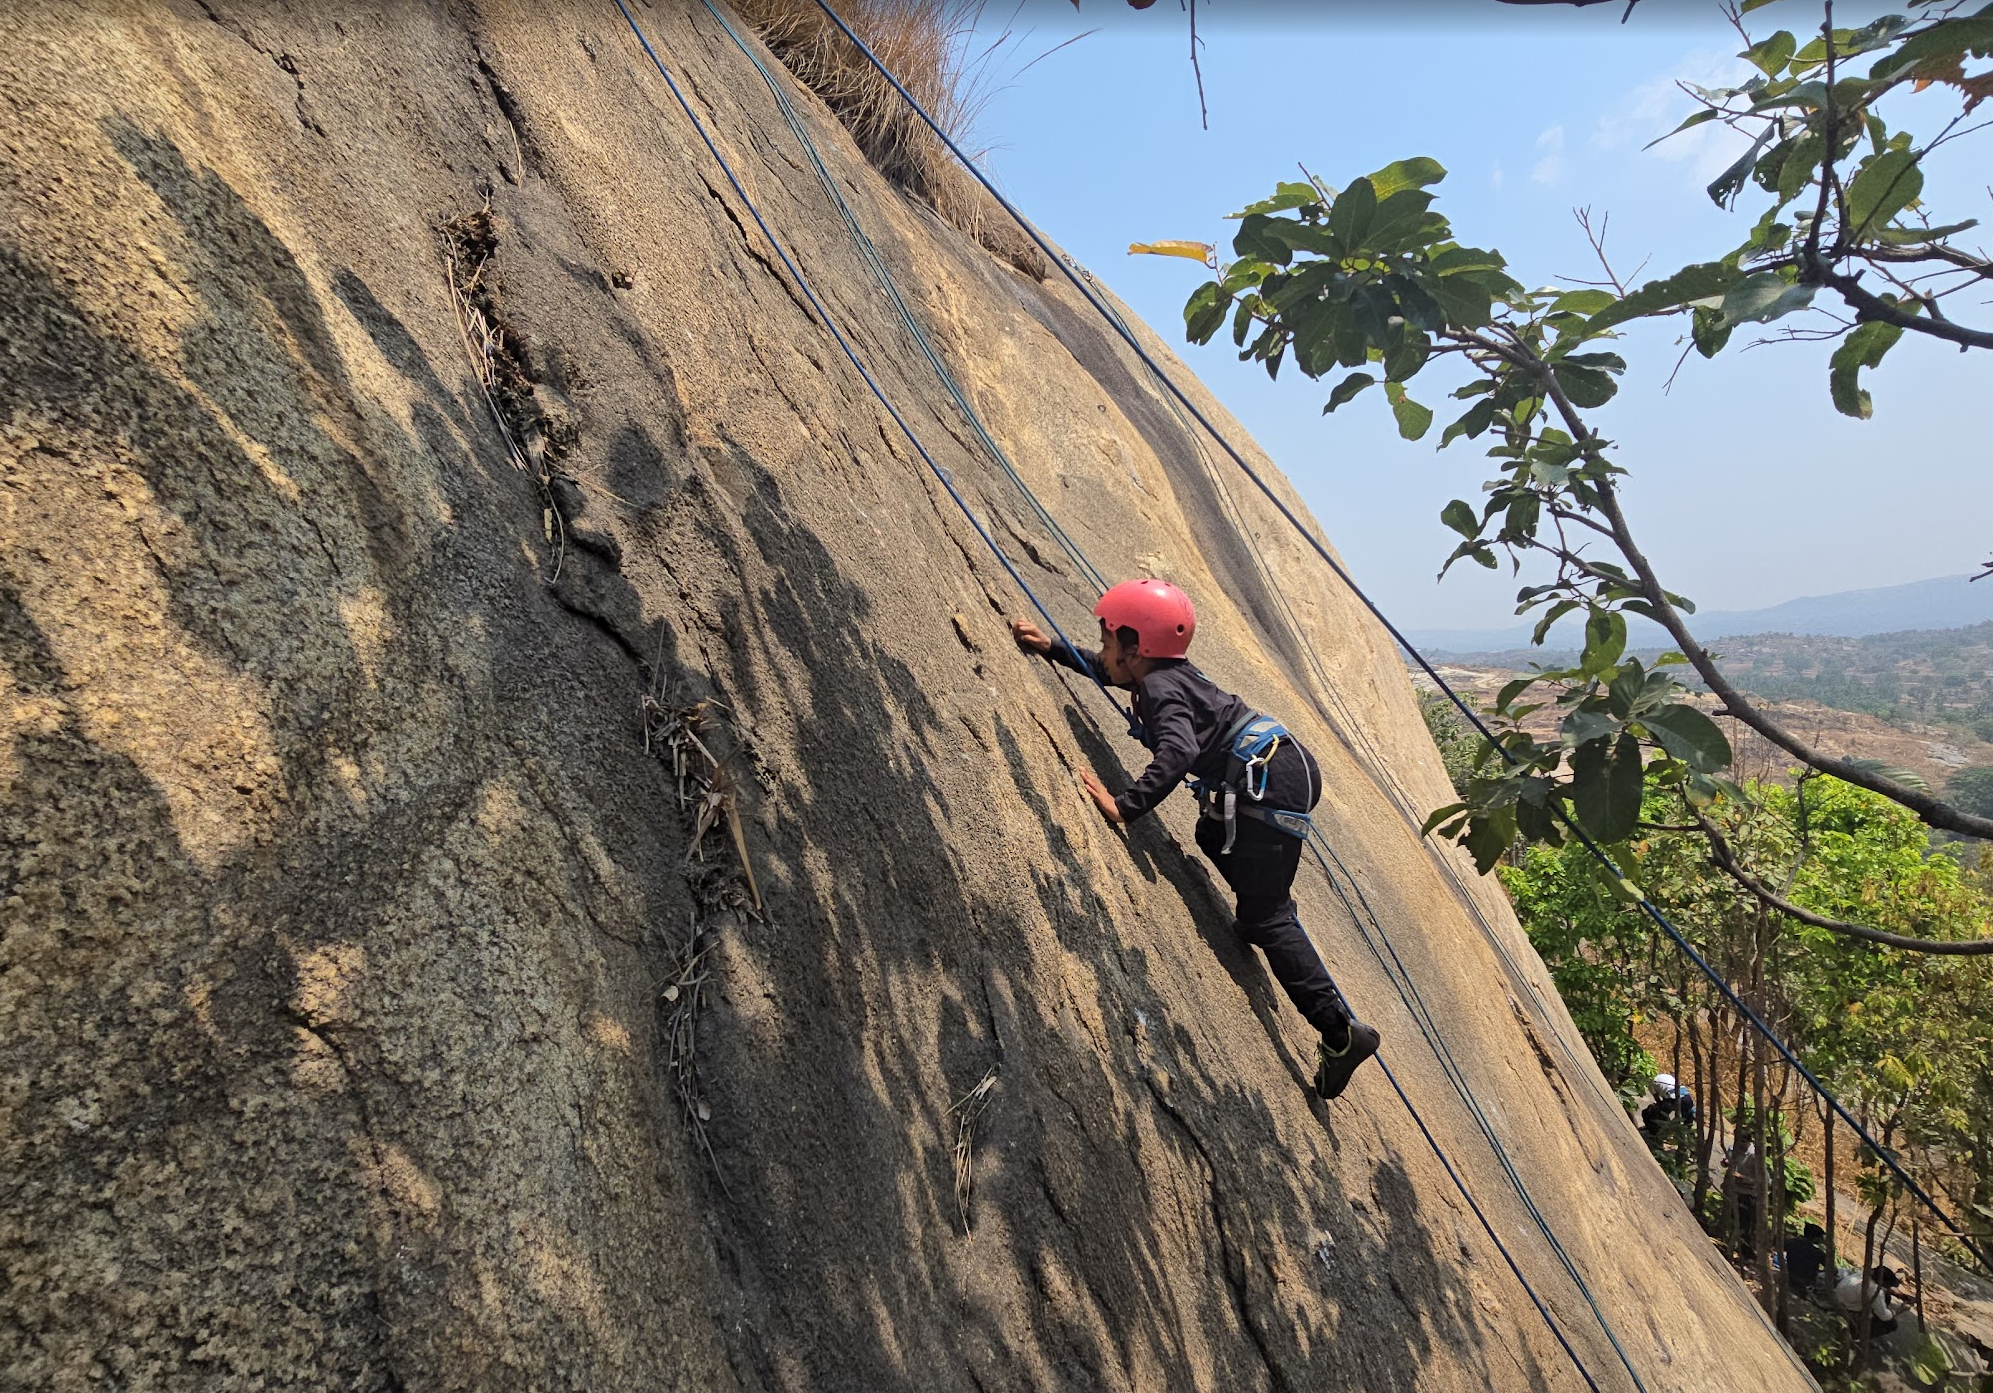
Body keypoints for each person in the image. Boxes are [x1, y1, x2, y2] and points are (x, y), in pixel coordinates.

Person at [1010, 578, 1380, 1100]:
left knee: (1267, 915)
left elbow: (1177, 752)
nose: (1103, 649)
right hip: (1280, 763)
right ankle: (1261, 906)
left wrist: (1124, 806)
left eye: (1108, 639)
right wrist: (1053, 647)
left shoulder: (1158, 690)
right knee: (1211, 835)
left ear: (1136, 648)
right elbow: (1107, 672)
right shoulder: (1163, 673)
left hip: (1263, 786)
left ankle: (1340, 1032)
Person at [1834, 1264, 1902, 1336]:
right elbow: (1885, 1316)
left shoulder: (1864, 1275)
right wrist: (1900, 1310)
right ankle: (1858, 1335)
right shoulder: (1875, 1291)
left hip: (1840, 1296)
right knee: (1892, 1324)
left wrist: (1897, 1294)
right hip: (1847, 1307)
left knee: (1886, 1297)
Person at [1783, 1222, 1827, 1294]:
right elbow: (1834, 1270)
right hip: (1806, 1282)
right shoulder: (1818, 1253)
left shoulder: (1791, 1242)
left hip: (1790, 1275)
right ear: (1816, 1238)